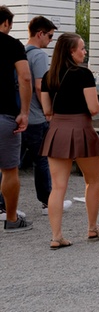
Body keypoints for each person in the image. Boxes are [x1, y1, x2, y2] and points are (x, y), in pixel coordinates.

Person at [40, 32, 99, 248]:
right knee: (93, 180)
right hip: (81, 129)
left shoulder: (48, 76)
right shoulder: (84, 74)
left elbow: (47, 110)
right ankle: (92, 227)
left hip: (57, 131)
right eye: (82, 48)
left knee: (58, 187)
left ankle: (56, 236)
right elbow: (94, 108)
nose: (84, 51)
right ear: (72, 51)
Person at [0, 16, 72, 219]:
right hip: (35, 116)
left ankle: (3, 206)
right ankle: (47, 200)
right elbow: (39, 85)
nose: (50, 41)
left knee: (11, 164)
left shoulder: (21, 50)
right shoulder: (39, 55)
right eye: (49, 36)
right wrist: (48, 110)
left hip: (17, 114)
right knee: (40, 160)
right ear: (40, 33)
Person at [0, 6, 33, 232]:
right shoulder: (12, 44)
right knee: (9, 170)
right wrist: (25, 112)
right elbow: (25, 77)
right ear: (5, 24)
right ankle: (11, 219)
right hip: (4, 113)